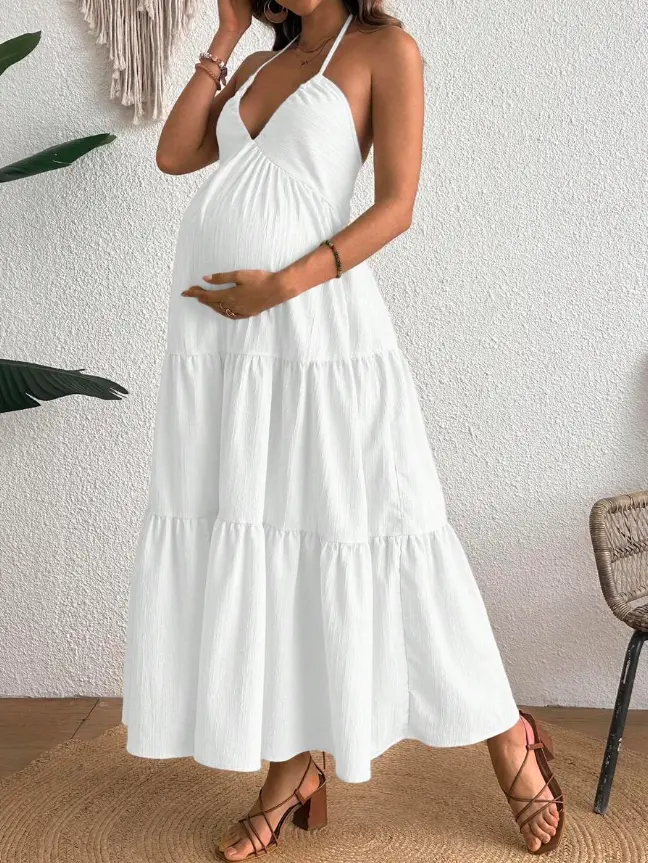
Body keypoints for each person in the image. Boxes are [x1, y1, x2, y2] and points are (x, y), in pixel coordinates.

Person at [121, 0, 565, 858]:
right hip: (225, 353)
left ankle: (506, 734)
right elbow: (175, 154)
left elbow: (397, 207)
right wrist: (225, 37)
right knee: (271, 536)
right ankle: (292, 768)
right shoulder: (259, 65)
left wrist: (280, 286)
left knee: (393, 527)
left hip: (320, 338)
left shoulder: (385, 50)